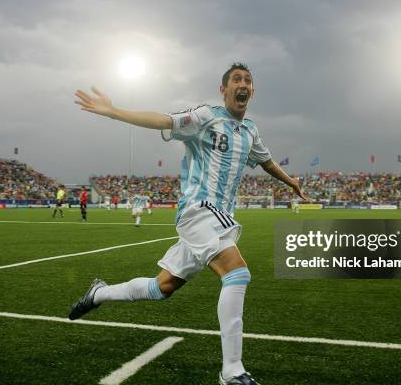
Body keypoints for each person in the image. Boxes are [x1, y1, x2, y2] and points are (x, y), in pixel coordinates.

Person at [70, 62, 307, 384]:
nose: (243, 84)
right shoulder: (206, 117)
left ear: (252, 91)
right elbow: (163, 120)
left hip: (218, 218)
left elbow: (266, 161)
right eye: (236, 79)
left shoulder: (250, 131)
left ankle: (98, 294)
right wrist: (114, 112)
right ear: (223, 89)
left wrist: (290, 181)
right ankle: (231, 372)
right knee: (237, 273)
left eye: (248, 81)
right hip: (199, 210)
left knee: (160, 287)